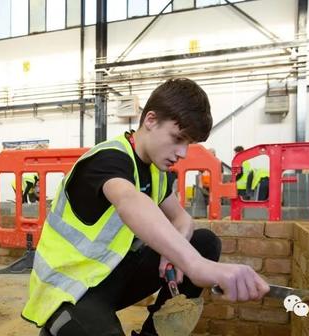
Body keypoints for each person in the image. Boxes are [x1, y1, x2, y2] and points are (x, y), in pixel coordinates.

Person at [22, 78, 269, 336]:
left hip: (109, 276)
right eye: (178, 138)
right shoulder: (107, 159)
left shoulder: (155, 171)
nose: (182, 152)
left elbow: (182, 220)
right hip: (69, 289)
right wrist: (195, 265)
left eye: (189, 144)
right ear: (150, 120)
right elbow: (129, 201)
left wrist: (176, 249)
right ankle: (61, 327)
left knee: (204, 242)